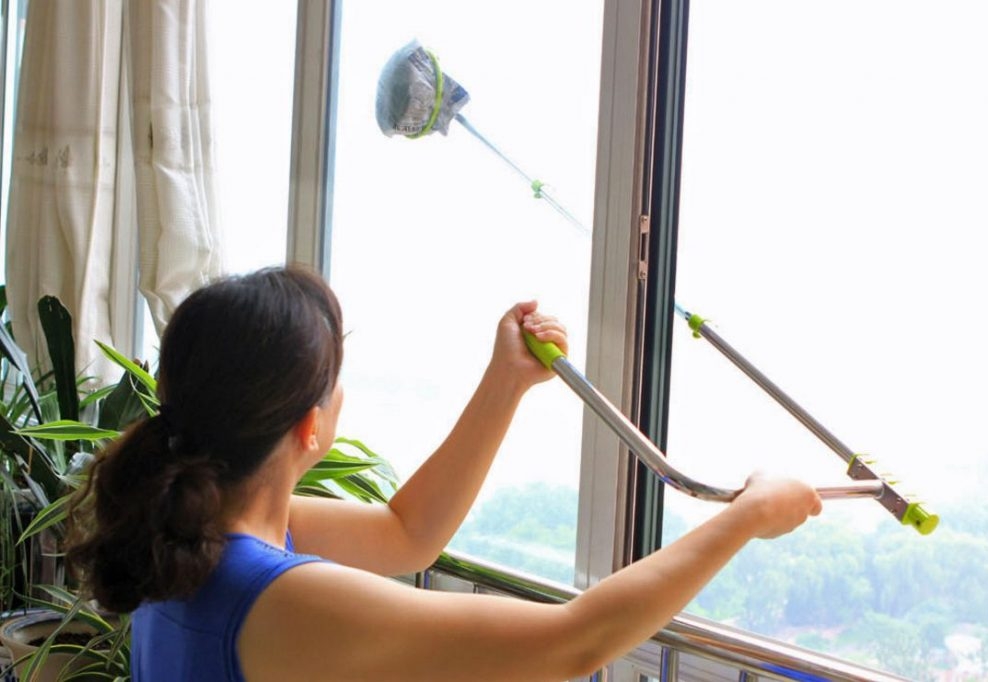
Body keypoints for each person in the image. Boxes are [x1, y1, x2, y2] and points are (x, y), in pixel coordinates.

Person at [65, 265, 821, 682]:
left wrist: (506, 381)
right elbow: (575, 641)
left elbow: (408, 533)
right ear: (309, 428)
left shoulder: (194, 533)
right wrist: (748, 516)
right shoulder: (278, 594)